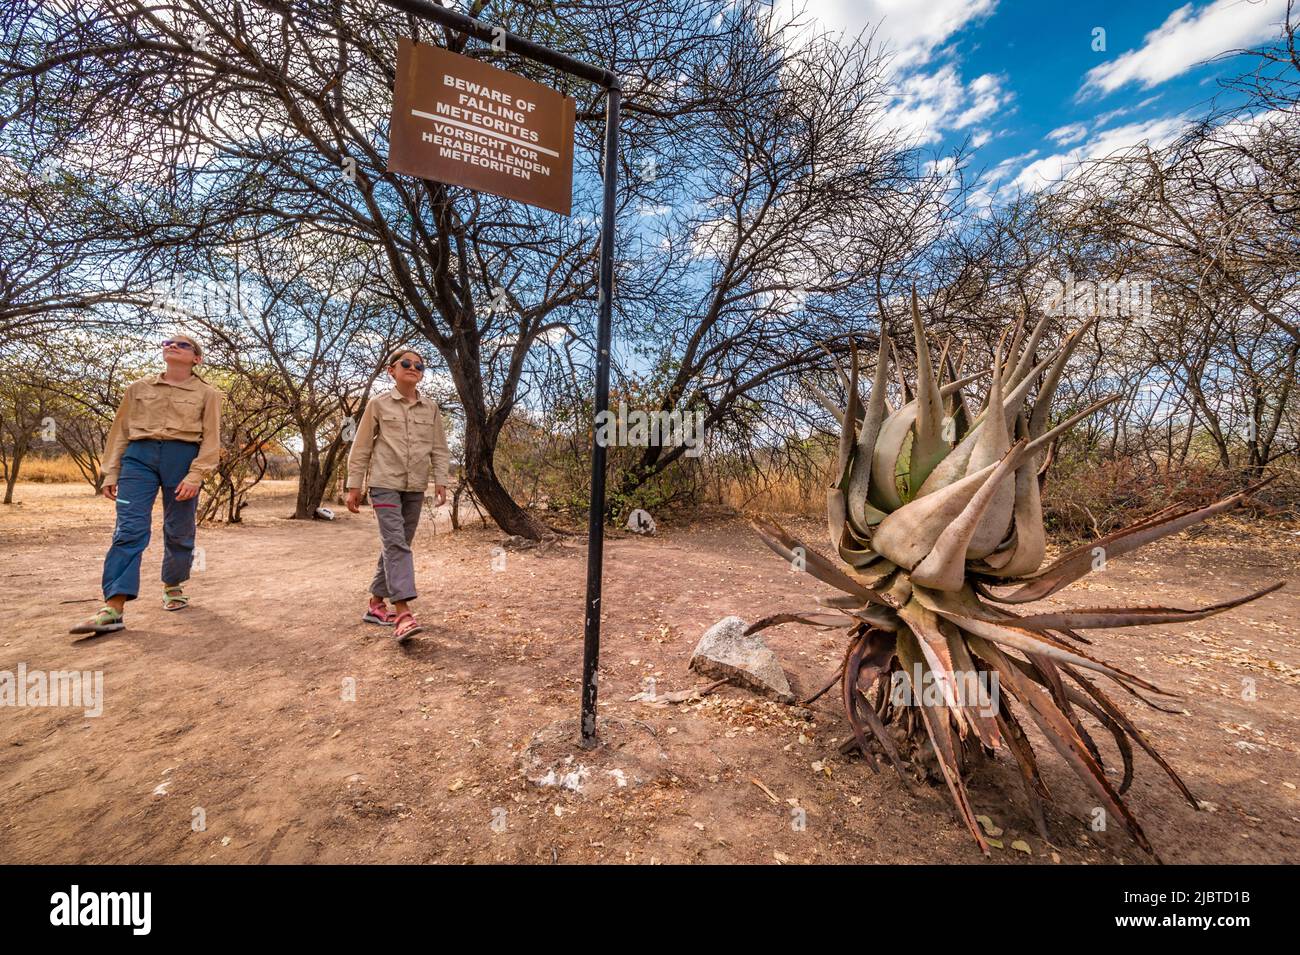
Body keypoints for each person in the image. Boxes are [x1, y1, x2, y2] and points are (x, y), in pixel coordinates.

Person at [70, 334, 222, 635]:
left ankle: (173, 584)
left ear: (196, 358)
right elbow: (120, 432)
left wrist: (196, 475)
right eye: (168, 342)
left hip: (183, 458)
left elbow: (212, 439)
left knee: (179, 527)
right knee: (129, 529)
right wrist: (110, 472)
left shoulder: (208, 393)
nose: (173, 346)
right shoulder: (137, 388)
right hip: (138, 458)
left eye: (182, 345)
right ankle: (113, 607)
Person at [346, 348, 450, 643]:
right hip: (384, 484)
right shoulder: (377, 405)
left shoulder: (430, 408)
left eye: (419, 365)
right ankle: (403, 613)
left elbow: (439, 448)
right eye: (406, 363)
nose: (413, 367)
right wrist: (355, 485)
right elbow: (362, 447)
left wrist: (440, 479)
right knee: (395, 543)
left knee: (397, 543)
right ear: (391, 370)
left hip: (415, 486)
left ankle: (376, 605)